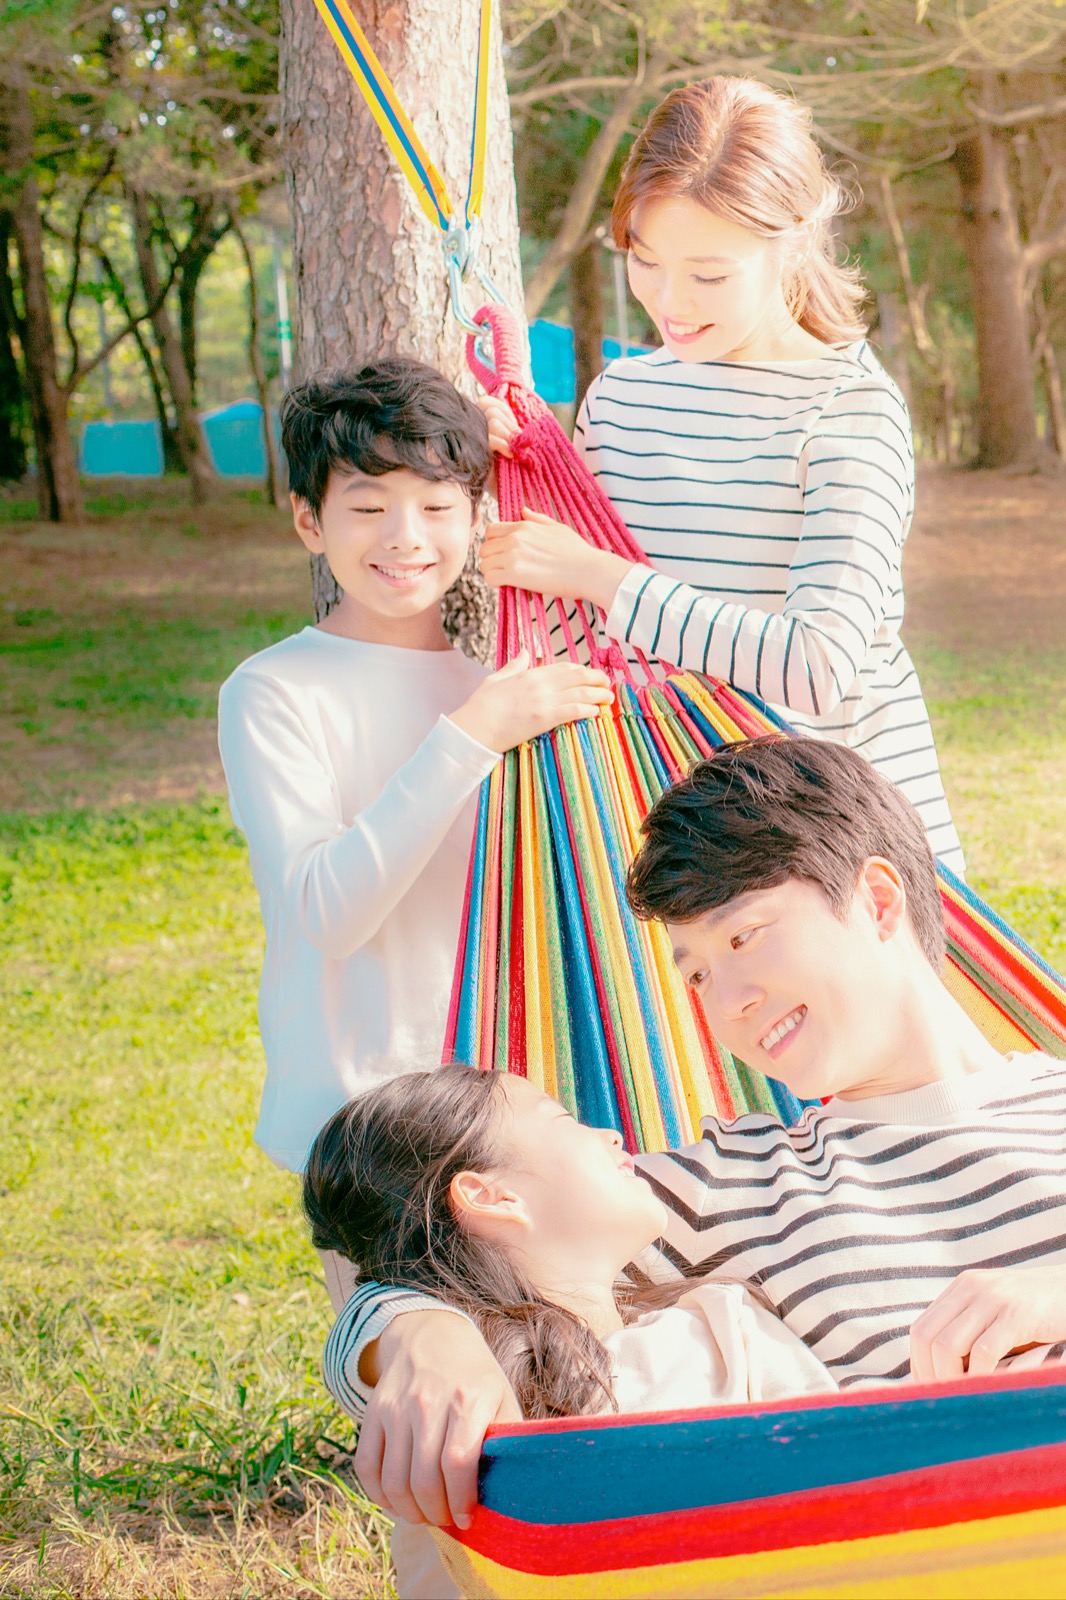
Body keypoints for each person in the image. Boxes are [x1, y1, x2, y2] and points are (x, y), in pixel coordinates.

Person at [325, 737, 1066, 1532]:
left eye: (747, 937)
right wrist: (417, 1336)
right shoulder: (742, 1184)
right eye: (694, 971)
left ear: (879, 901)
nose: (727, 998)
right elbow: (416, 1240)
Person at [217, 356, 615, 1595]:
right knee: (440, 1431)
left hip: (509, 1114)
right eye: (368, 505)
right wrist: (473, 733)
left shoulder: (506, 678)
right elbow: (326, 907)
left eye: (439, 504)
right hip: (372, 1125)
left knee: (562, 1398)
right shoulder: (277, 691)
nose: (407, 536)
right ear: (309, 522)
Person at [475, 76, 963, 872]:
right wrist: (501, 477)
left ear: (793, 242)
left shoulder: (850, 410)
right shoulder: (621, 399)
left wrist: (601, 576)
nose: (670, 301)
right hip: (682, 847)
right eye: (645, 260)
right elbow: (584, 642)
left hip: (843, 852)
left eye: (709, 275)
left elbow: (817, 667)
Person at [305, 1064, 837, 1421]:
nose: (611, 1134)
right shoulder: (460, 1397)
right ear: (493, 1196)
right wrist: (416, 1333)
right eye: (564, 1119)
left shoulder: (725, 1324)